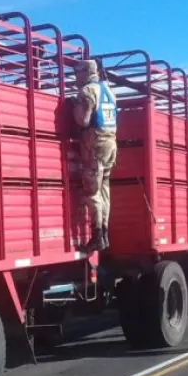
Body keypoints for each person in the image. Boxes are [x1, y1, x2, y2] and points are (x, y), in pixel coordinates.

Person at [72, 59, 118, 252]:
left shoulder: (87, 91)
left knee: (93, 190)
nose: (75, 77)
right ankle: (105, 233)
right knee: (104, 189)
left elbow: (83, 121)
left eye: (77, 72)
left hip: (95, 144)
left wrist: (73, 108)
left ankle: (97, 234)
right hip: (111, 143)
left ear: (86, 71)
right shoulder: (109, 91)